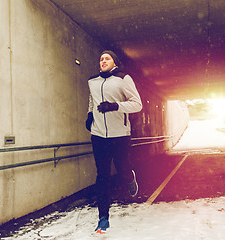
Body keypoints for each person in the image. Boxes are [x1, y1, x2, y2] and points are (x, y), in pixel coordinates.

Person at [86, 50, 142, 234]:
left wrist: (115, 106)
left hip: (120, 134)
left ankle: (130, 177)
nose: (103, 61)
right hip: (98, 135)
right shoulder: (92, 81)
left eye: (107, 58)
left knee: (122, 167)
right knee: (102, 176)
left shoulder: (123, 78)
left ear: (114, 62)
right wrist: (89, 115)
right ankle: (103, 218)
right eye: (101, 58)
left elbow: (137, 104)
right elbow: (92, 102)